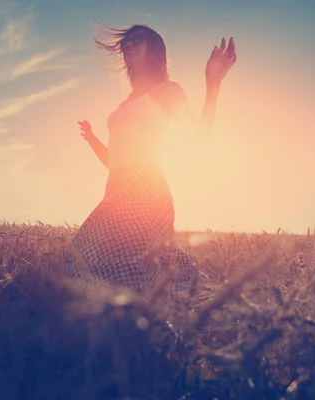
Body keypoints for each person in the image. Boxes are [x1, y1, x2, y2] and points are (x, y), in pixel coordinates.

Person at [63, 23, 236, 296]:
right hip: (115, 192)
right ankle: (182, 286)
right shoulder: (128, 101)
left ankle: (181, 303)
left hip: (145, 190)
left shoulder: (167, 91)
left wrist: (212, 83)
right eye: (126, 42)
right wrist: (92, 138)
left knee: (132, 271)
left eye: (138, 40)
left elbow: (198, 138)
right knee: (79, 262)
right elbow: (113, 162)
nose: (129, 45)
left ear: (155, 50)